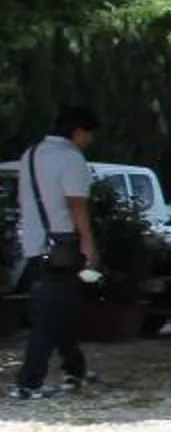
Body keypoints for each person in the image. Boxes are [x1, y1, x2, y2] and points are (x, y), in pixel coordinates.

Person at [15, 105, 101, 399]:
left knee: (60, 307)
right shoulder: (70, 158)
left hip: (34, 241)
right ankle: (30, 381)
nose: (88, 142)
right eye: (88, 136)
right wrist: (89, 244)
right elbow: (77, 204)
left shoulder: (31, 154)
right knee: (52, 314)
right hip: (62, 243)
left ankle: (74, 368)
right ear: (79, 132)